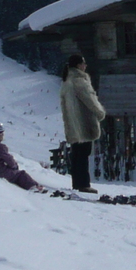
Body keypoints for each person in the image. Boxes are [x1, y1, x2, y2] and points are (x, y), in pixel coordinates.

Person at [59, 54, 105, 193]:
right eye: (83, 63)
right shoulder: (80, 80)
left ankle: (77, 183)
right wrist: (100, 113)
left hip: (73, 124)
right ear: (79, 65)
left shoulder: (67, 81)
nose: (85, 66)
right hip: (83, 123)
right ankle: (84, 184)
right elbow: (90, 100)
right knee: (83, 154)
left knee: (76, 154)